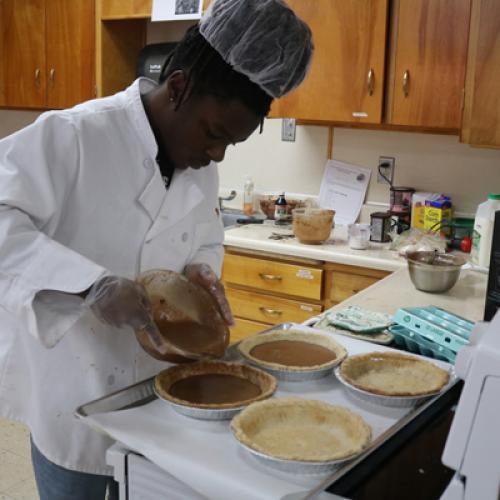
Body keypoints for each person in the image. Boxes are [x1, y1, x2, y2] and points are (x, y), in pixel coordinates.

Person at [0, 0, 313, 499]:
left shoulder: (199, 162)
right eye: (214, 134)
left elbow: (205, 237)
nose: (216, 155)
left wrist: (202, 273)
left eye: (230, 144)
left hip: (163, 399)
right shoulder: (75, 136)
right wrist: (90, 284)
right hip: (78, 400)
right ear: (180, 86)